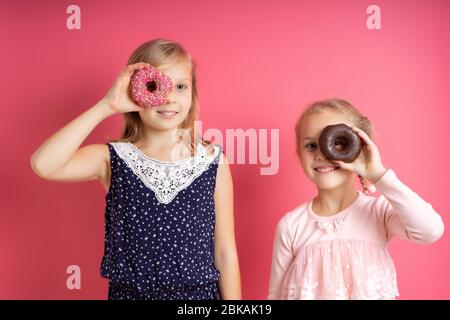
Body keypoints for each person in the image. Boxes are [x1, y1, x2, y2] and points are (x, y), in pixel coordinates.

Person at [31, 39, 241, 300]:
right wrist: (106, 106)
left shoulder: (213, 162)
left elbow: (225, 252)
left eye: (181, 86)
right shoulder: (113, 159)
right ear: (135, 91)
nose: (169, 97)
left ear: (193, 94)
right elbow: (43, 164)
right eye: (155, 86)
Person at [267, 98, 444, 299]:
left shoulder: (378, 213)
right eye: (310, 146)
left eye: (338, 143)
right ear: (299, 153)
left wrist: (378, 174)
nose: (322, 154)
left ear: (358, 147)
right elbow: (276, 294)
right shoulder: (292, 225)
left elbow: (430, 230)